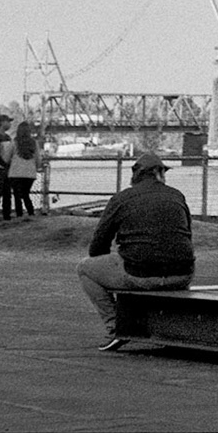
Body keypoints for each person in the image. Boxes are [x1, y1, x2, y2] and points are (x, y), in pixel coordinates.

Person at [77, 150, 195, 351]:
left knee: (85, 268)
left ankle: (116, 327)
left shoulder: (122, 199)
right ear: (159, 174)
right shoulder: (177, 196)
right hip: (183, 274)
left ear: (135, 175)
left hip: (139, 273)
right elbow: (186, 235)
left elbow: (98, 245)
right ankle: (168, 326)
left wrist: (112, 258)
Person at [5, 120, 41, 219]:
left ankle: (19, 215)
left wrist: (8, 164)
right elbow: (38, 159)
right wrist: (36, 168)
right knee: (25, 194)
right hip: (29, 173)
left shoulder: (14, 142)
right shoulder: (34, 143)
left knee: (17, 196)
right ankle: (31, 213)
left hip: (15, 173)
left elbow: (7, 157)